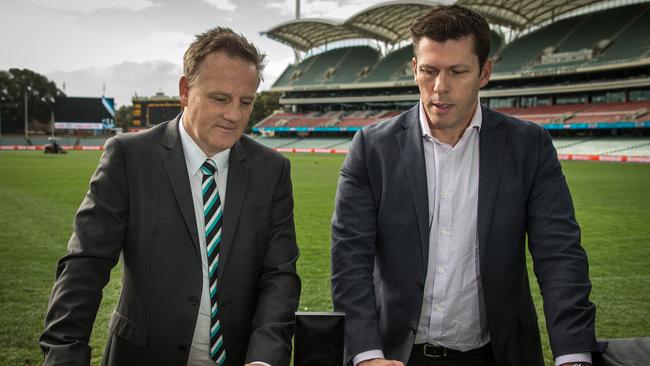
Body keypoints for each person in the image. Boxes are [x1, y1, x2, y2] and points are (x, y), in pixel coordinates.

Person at [331, 5, 599, 366]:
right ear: (414, 69)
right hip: (395, 355)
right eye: (429, 71)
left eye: (457, 71)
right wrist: (366, 355)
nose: (440, 88)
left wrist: (573, 355)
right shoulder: (371, 147)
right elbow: (350, 257)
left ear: (484, 72)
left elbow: (559, 255)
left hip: (496, 354)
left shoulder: (529, 146)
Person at [40, 27, 300, 366]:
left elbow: (279, 274)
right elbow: (84, 266)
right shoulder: (129, 157)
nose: (234, 115)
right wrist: (64, 354)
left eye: (246, 102)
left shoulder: (272, 169)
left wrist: (265, 358)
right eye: (220, 98)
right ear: (185, 90)